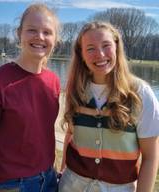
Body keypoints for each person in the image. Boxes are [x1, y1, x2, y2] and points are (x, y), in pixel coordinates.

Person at [58, 21, 159, 192]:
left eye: (106, 45)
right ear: (81, 54)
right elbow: (70, 134)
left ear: (117, 48)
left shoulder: (140, 94)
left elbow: (150, 157)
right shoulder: (76, 90)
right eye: (90, 49)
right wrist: (61, 172)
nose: (100, 54)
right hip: (71, 186)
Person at [0, 3, 61, 192]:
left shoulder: (53, 81)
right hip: (12, 185)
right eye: (32, 30)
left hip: (49, 180)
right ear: (19, 33)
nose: (40, 37)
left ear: (55, 38)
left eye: (47, 32)